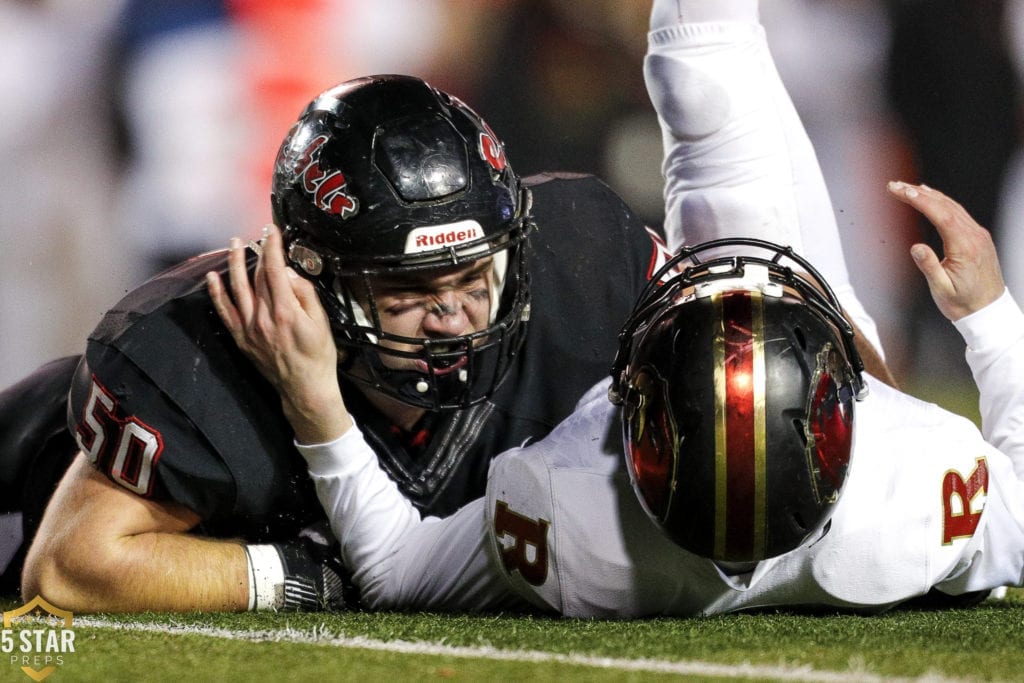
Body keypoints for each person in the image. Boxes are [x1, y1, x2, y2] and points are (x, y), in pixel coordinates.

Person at [210, 0, 1024, 617]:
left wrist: (315, 398)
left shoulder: (575, 519)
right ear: (845, 385)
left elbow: (391, 568)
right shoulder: (915, 499)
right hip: (858, 453)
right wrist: (989, 314)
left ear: (632, 418)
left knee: (700, 61)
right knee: (703, 64)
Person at [9, 75, 667, 612]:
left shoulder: (589, 260)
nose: (451, 319)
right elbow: (71, 566)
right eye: (406, 293)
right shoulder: (202, 350)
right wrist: (297, 577)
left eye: (473, 277)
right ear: (310, 278)